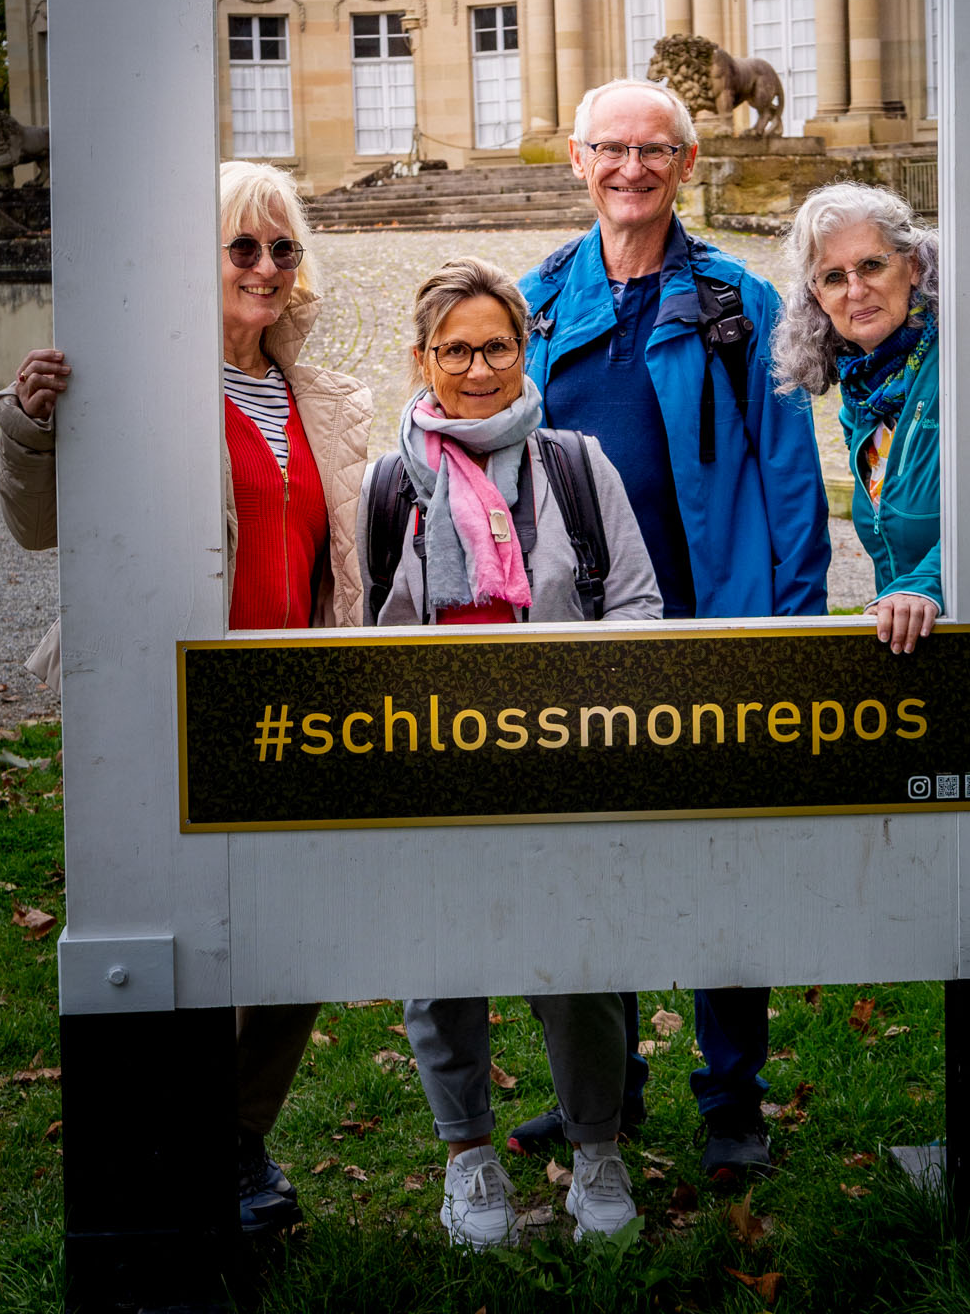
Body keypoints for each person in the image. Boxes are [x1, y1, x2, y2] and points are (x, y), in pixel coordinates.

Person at [0, 160, 372, 1233]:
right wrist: (28, 425)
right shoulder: (142, 382)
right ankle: (180, 1153)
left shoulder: (323, 399)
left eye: (282, 248)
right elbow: (37, 527)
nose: (266, 266)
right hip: (172, 703)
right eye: (241, 245)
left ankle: (236, 1135)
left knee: (297, 938)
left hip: (296, 707)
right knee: (185, 938)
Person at [516, 78, 831, 1184]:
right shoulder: (537, 300)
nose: (631, 168)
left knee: (719, 864)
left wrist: (793, 628)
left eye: (654, 150)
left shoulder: (738, 298)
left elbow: (789, 476)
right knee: (586, 861)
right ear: (578, 159)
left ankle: (731, 1098)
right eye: (611, 148)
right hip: (578, 636)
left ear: (686, 164)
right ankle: (604, 1088)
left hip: (713, 618)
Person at [360, 255, 660, 1249]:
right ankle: (468, 1158)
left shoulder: (576, 465)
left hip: (564, 761)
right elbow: (365, 634)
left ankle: (597, 1147)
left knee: (577, 961)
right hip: (436, 767)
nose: (479, 369)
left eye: (496, 347)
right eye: (455, 351)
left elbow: (637, 605)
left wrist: (567, 705)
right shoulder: (388, 484)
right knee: (440, 965)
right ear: (422, 358)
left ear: (525, 349)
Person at [772, 181, 942, 655]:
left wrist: (928, 583)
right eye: (833, 277)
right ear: (817, 296)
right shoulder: (863, 396)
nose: (856, 290)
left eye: (871, 265)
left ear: (913, 265)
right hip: (935, 648)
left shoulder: (960, 363)